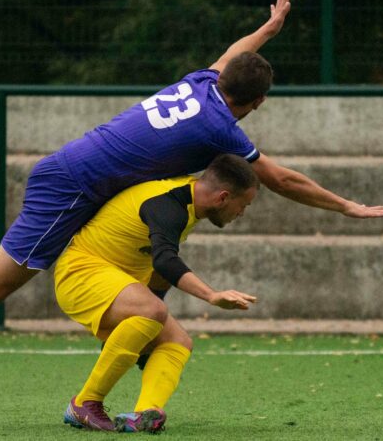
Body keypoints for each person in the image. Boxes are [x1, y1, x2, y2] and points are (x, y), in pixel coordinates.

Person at [0, 0, 383, 367]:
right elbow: (281, 180)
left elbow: (234, 54)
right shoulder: (221, 127)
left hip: (86, 178)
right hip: (73, 185)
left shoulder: (201, 82)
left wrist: (269, 28)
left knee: (145, 268)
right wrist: (347, 206)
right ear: (252, 105)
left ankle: (137, 356)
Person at [59, 154, 260, 432]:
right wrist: (212, 296)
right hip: (79, 274)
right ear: (223, 197)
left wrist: (144, 328)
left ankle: (146, 413)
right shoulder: (168, 205)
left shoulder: (189, 202)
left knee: (178, 341)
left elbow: (161, 271)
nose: (242, 213)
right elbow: (164, 260)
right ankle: (85, 402)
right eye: (244, 205)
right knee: (152, 311)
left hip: (114, 283)